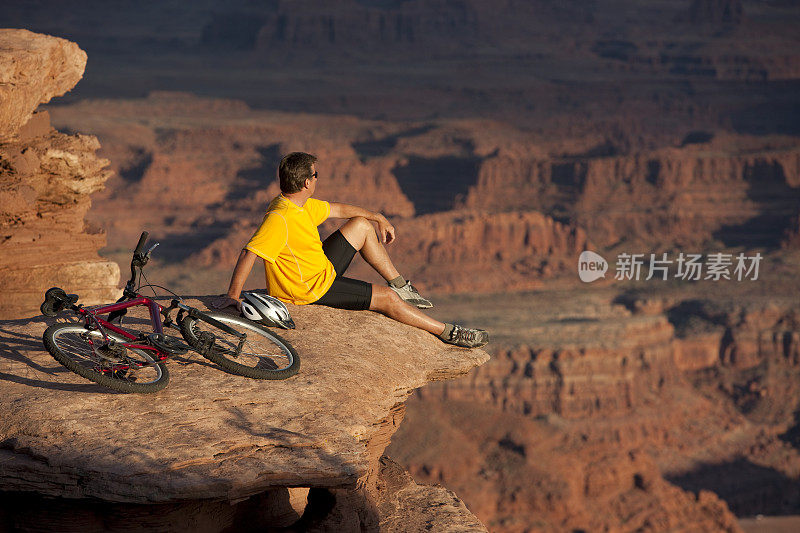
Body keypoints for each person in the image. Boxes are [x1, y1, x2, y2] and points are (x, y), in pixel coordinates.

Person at [211, 151, 488, 348]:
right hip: (309, 289)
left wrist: (377, 216)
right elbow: (250, 253)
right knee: (388, 299)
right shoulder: (279, 218)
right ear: (307, 182)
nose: (317, 179)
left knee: (360, 225)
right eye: (315, 175)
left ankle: (402, 285)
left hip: (319, 267)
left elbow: (339, 210)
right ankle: (448, 332)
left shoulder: (298, 204)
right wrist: (233, 296)